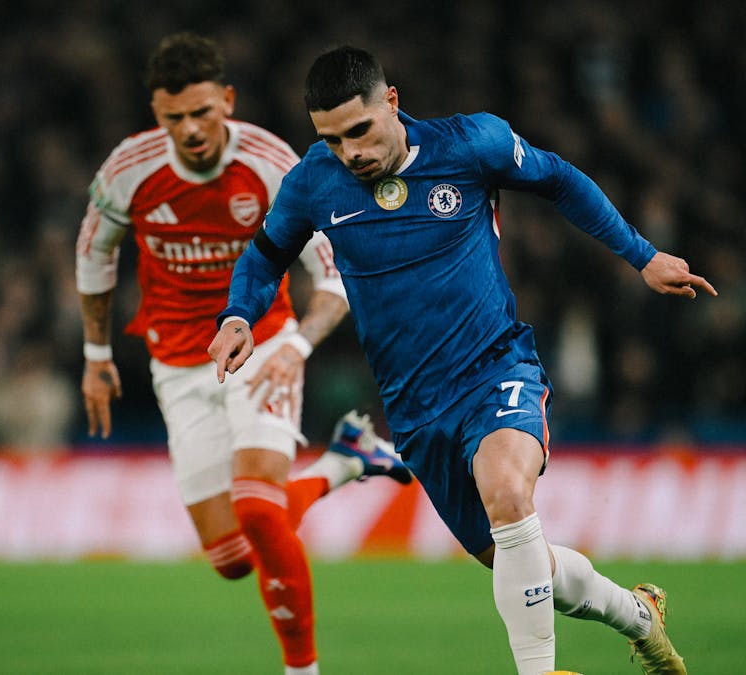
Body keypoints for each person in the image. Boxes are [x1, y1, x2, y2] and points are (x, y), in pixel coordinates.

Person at [210, 46, 717, 675]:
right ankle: (640, 616)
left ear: (391, 102)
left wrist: (642, 256)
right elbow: (263, 258)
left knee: (507, 490)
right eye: (332, 139)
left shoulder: (471, 144)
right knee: (521, 563)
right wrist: (237, 315)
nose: (350, 153)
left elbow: (559, 178)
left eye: (360, 131)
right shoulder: (314, 181)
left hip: (495, 368)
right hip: (416, 410)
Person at [75, 34, 410, 675]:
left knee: (259, 506)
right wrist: (96, 355)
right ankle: (344, 463)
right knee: (232, 557)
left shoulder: (271, 162)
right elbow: (94, 254)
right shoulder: (129, 168)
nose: (190, 130)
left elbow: (333, 278)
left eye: (202, 112)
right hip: (177, 361)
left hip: (264, 343)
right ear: (156, 114)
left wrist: (298, 346)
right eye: (173, 118)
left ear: (226, 100)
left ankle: (301, 670)